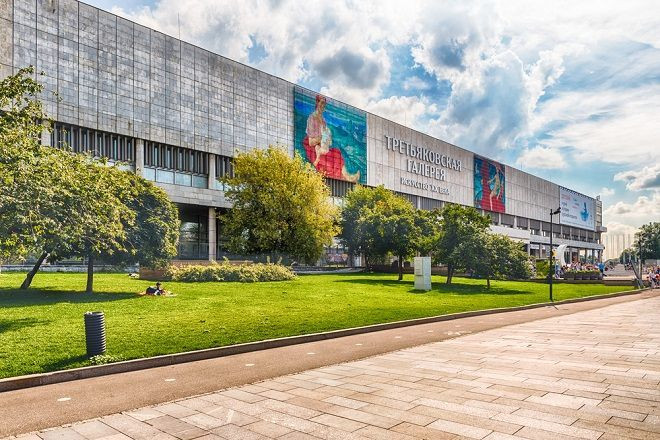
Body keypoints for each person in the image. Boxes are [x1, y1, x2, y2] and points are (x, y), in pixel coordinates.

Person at [302, 94, 360, 183]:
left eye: (324, 104)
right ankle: (344, 178)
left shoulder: (323, 120)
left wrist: (327, 138)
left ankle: (348, 177)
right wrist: (322, 137)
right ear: (317, 103)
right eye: (321, 103)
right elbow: (311, 142)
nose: (323, 106)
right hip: (313, 148)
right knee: (331, 158)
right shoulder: (312, 118)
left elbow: (326, 137)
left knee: (337, 152)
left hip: (322, 146)